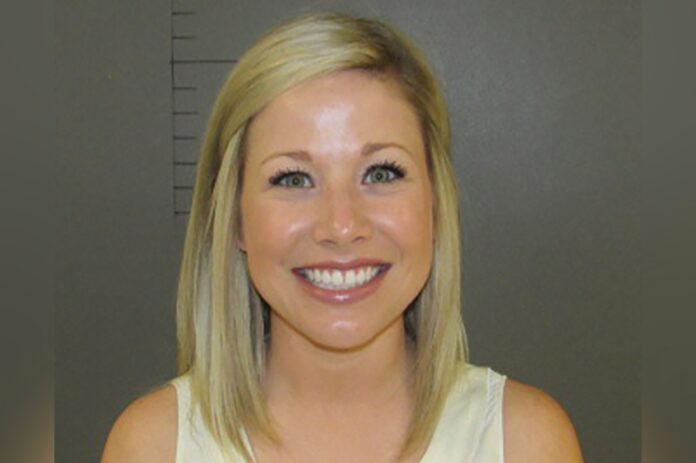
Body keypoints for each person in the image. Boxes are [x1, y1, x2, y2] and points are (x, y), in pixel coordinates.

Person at [101, 12, 583, 462]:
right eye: (293, 179)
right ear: (234, 219)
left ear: (435, 203)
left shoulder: (524, 442)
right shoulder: (153, 446)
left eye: (381, 173)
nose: (342, 226)